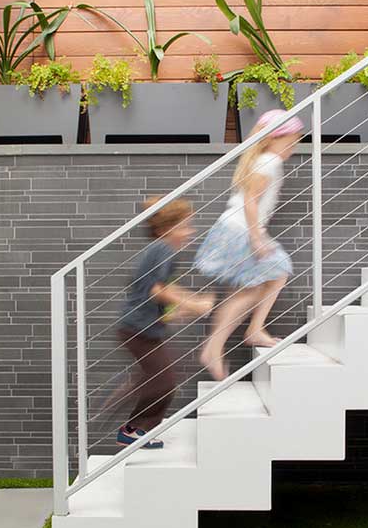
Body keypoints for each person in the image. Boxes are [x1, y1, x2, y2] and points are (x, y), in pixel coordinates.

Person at [195, 109, 302, 380]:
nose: (292, 146)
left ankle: (239, 336)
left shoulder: (266, 161)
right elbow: (250, 201)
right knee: (273, 274)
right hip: (240, 231)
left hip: (236, 229)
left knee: (254, 285)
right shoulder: (268, 162)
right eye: (289, 141)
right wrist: (256, 237)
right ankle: (224, 343)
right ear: (271, 139)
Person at [115, 196, 214, 449]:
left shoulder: (157, 250)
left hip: (140, 327)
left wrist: (184, 305)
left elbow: (158, 290)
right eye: (184, 226)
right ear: (165, 229)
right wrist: (195, 305)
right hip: (138, 329)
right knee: (165, 381)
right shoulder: (163, 249)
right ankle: (135, 429)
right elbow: (158, 291)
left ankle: (136, 420)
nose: (190, 232)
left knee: (159, 377)